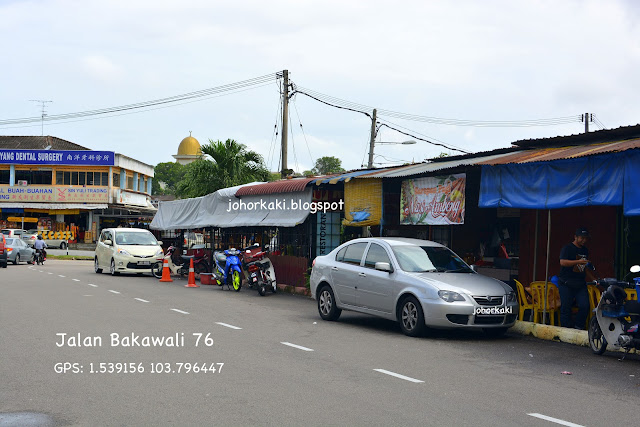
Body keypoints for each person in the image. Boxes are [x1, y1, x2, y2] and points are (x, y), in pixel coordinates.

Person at [558, 227, 595, 329]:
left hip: (580, 283)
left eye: (586, 238)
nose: (584, 240)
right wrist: (578, 261)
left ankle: (578, 326)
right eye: (582, 238)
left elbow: (584, 267)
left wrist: (593, 279)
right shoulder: (567, 248)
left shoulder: (585, 250)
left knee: (585, 306)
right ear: (575, 237)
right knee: (566, 308)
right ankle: (565, 330)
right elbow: (563, 262)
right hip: (566, 283)